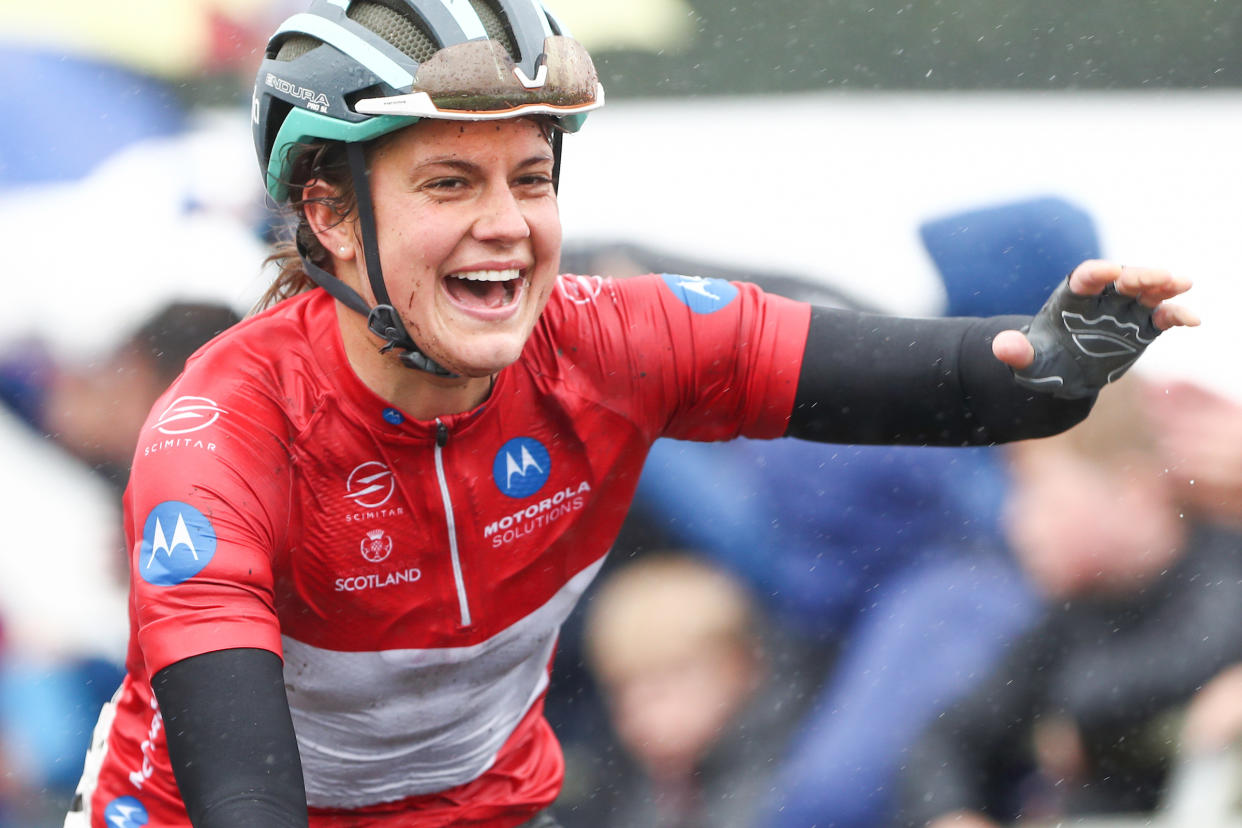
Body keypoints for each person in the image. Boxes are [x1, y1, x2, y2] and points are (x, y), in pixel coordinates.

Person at [61, 2, 1197, 826]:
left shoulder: (613, 340)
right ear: (332, 216)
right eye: (450, 183)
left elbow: (947, 384)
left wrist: (1048, 370)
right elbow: (245, 794)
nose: (506, 223)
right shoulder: (220, 433)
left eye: (532, 177)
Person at [897, 376, 1242, 827]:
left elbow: (1177, 663)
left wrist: (1081, 728)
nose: (1015, 520)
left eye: (1037, 488)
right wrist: (951, 815)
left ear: (1132, 489)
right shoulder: (1069, 619)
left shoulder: (1224, 568)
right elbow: (945, 743)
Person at [575, 551, 813, 828]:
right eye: (621, 691)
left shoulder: (796, 763)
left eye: (663, 685)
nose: (642, 713)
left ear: (736, 666)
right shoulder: (657, 779)